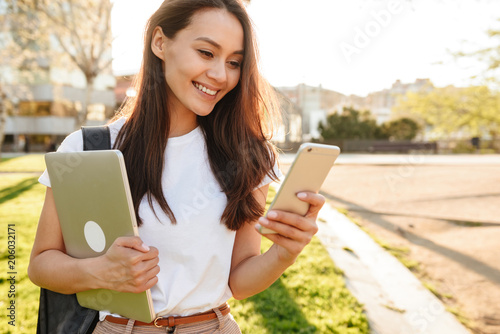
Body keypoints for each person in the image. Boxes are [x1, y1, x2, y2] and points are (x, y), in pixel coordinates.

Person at [28, 0, 325, 333]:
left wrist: (285, 252)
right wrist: (99, 271)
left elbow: (239, 280)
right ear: (160, 42)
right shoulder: (86, 150)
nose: (220, 75)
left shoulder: (249, 155)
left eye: (234, 62)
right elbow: (41, 264)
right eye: (206, 53)